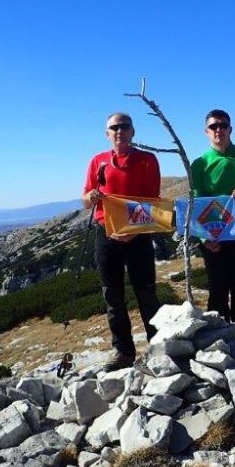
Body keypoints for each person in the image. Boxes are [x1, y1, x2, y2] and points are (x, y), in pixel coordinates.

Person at [83, 112, 163, 369]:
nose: (120, 130)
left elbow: (153, 201)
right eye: (114, 127)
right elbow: (85, 199)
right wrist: (91, 197)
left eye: (124, 126)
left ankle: (158, 346)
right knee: (112, 295)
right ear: (107, 133)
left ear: (133, 131)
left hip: (138, 235)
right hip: (106, 234)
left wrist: (132, 230)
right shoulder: (97, 161)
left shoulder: (148, 160)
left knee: (146, 292)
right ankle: (123, 352)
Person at [190, 109, 235, 337]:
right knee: (217, 290)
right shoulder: (199, 164)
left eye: (223, 125)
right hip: (214, 237)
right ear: (206, 131)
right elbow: (196, 203)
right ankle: (218, 340)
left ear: (230, 129)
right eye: (213, 126)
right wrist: (203, 237)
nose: (218, 130)